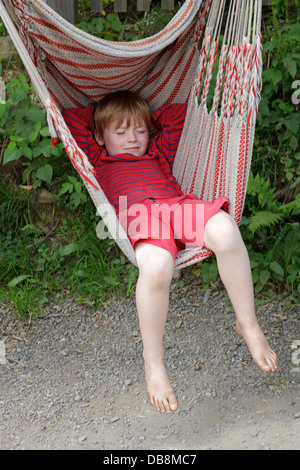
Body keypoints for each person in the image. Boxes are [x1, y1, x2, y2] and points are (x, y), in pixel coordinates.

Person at [63, 90, 278, 414]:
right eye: (120, 133)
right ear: (100, 136)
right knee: (158, 265)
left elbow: (182, 114)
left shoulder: (158, 152)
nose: (133, 139)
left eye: (139, 130)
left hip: (175, 206)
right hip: (136, 214)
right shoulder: (97, 155)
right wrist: (103, 113)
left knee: (225, 229)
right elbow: (67, 116)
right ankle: (154, 362)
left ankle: (247, 323)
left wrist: (147, 119)